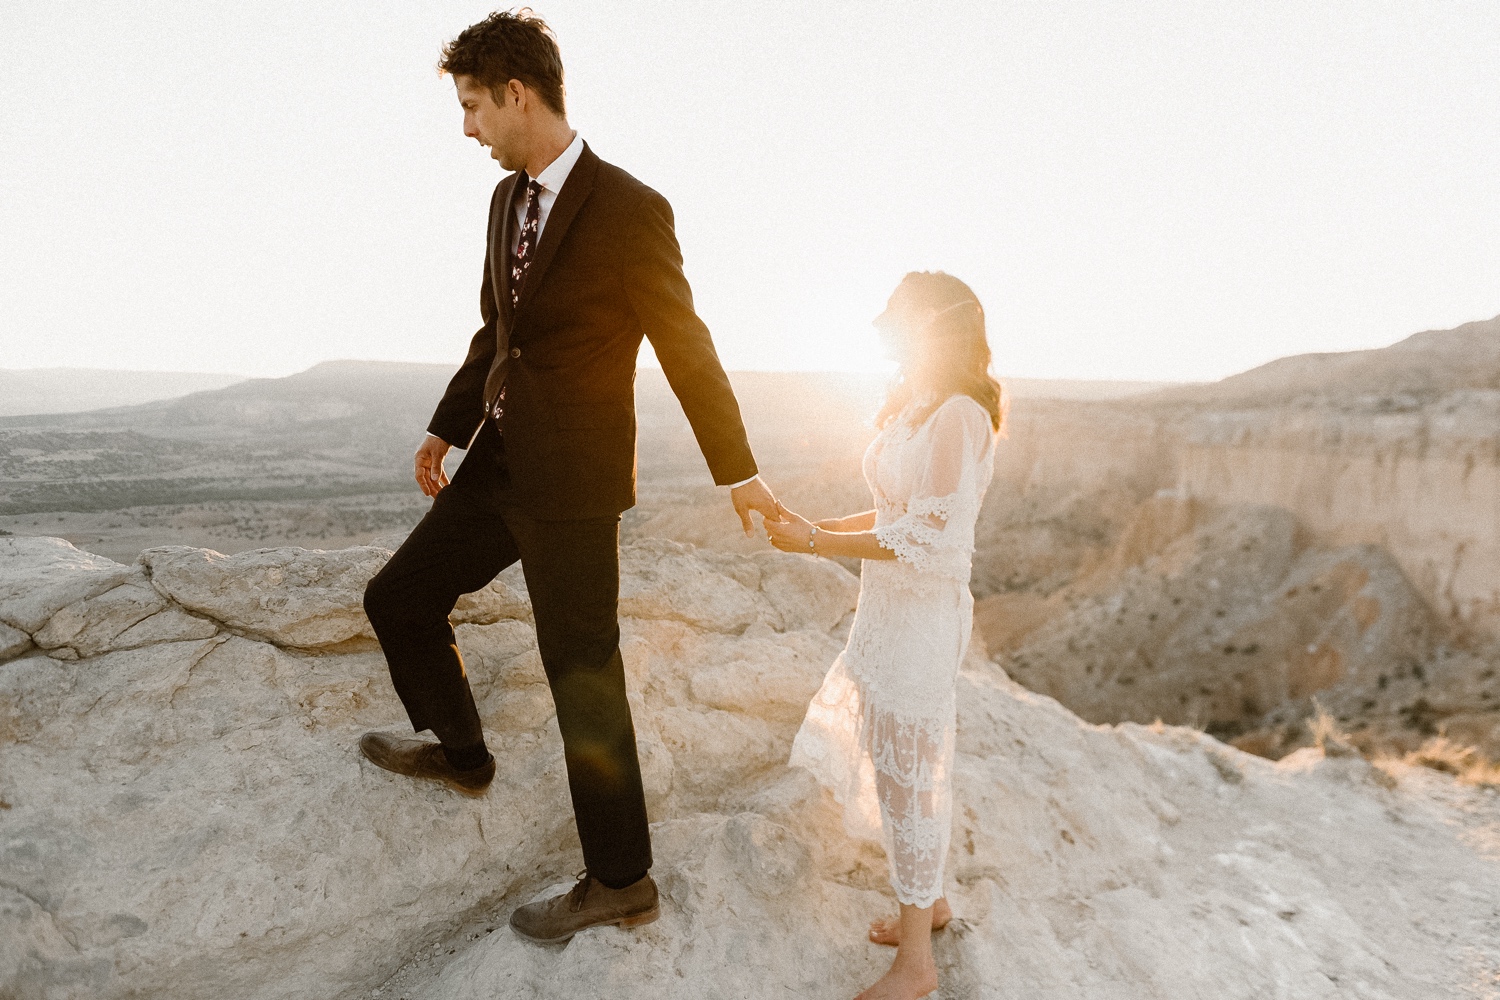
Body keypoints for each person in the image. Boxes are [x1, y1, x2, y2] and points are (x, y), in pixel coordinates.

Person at [359, 10, 783, 946]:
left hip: (576, 485)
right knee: (398, 598)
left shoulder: (631, 208)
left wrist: (738, 473)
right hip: (499, 463)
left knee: (584, 679)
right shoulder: (506, 201)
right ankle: (462, 752)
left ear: (518, 93)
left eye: (472, 106)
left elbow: (687, 348)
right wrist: (445, 427)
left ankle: (621, 880)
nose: (466, 127)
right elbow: (496, 332)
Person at [767, 271, 1002, 1000]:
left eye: (894, 318)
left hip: (922, 620)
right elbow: (889, 512)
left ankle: (916, 966)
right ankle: (926, 907)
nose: (878, 328)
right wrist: (809, 528)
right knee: (901, 759)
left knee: (907, 779)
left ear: (932, 328)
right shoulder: (918, 405)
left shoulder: (959, 415)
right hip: (887, 615)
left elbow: (929, 538)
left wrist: (813, 545)